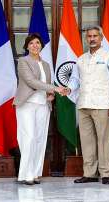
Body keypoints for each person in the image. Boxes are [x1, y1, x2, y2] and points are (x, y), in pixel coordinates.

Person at [65, 26, 109, 185]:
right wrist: (69, 88)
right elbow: (75, 79)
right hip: (83, 104)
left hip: (102, 104)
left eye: (95, 36)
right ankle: (89, 173)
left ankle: (105, 173)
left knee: (103, 140)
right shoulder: (81, 59)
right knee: (86, 141)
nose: (92, 39)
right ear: (86, 39)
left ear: (101, 38)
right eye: (89, 36)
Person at [13, 33, 65, 185]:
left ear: (41, 45)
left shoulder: (47, 65)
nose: (35, 45)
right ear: (27, 46)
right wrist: (55, 88)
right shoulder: (23, 61)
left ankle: (35, 173)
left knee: (40, 140)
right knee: (28, 138)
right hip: (27, 104)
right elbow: (31, 81)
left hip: (43, 105)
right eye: (31, 43)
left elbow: (45, 85)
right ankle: (26, 174)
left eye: (37, 43)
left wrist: (51, 94)